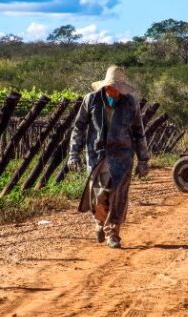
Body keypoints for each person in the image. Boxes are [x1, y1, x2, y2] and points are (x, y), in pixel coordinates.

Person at [67, 65, 150, 249]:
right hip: (97, 155)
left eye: (116, 88)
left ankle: (113, 233)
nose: (112, 90)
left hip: (122, 156)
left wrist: (143, 159)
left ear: (122, 88)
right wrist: (73, 154)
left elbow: (138, 132)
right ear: (104, 86)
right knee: (97, 196)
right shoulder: (91, 100)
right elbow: (79, 127)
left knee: (118, 197)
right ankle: (100, 222)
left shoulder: (131, 103)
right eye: (110, 87)